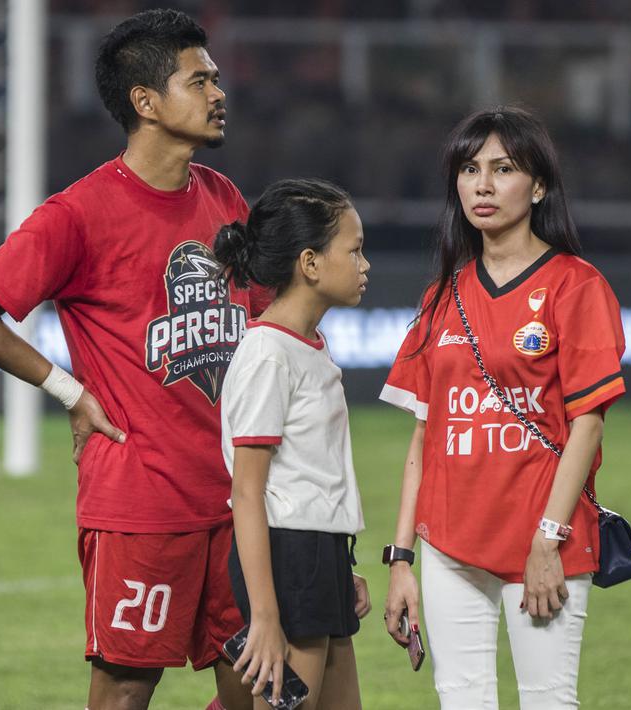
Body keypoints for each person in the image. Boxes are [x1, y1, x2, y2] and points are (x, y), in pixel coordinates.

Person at [0, 10, 261, 710]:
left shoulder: (223, 200)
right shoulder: (78, 214)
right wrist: (67, 390)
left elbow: (260, 328)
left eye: (215, 78)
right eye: (198, 80)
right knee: (124, 688)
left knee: (256, 688)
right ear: (145, 102)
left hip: (234, 496)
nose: (217, 92)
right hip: (141, 499)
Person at [379, 106, 626, 709]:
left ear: (538, 186)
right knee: (460, 700)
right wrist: (402, 558)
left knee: (548, 701)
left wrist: (548, 541)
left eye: (503, 168)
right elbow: (423, 439)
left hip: (544, 538)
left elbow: (586, 426)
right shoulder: (440, 296)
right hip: (447, 544)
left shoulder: (577, 285)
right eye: (469, 169)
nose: (482, 185)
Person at [214, 178, 372, 710]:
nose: (364, 264)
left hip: (317, 553)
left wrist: (338, 567)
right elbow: (248, 492)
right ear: (309, 263)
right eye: (353, 251)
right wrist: (265, 616)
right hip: (288, 557)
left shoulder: (307, 345)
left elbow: (308, 473)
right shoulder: (267, 354)